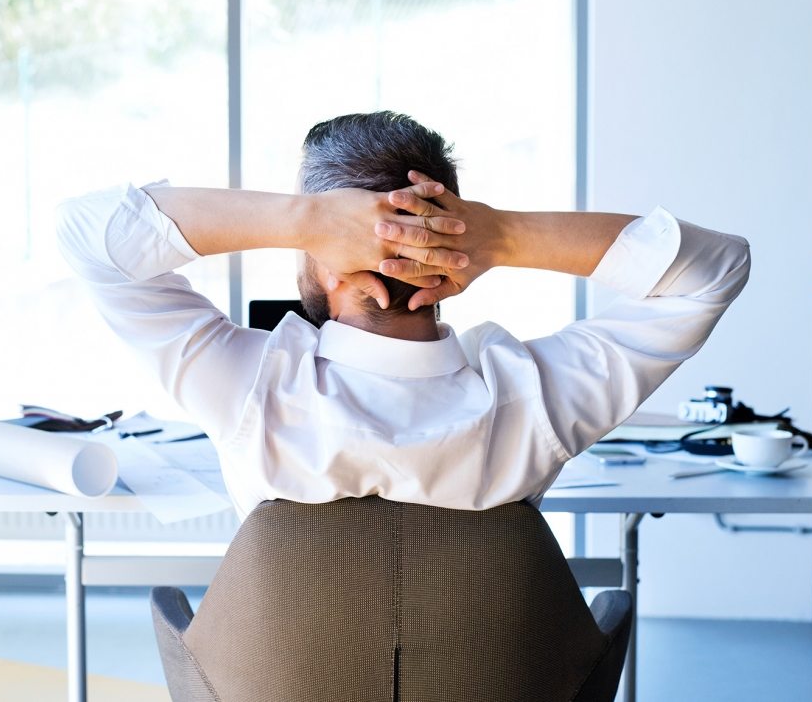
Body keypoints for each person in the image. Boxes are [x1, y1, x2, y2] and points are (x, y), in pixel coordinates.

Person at [56, 111, 750, 517]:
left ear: (324, 255)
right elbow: (716, 270)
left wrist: (304, 219)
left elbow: (88, 234)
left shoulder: (246, 389)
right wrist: (500, 234)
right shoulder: (540, 398)